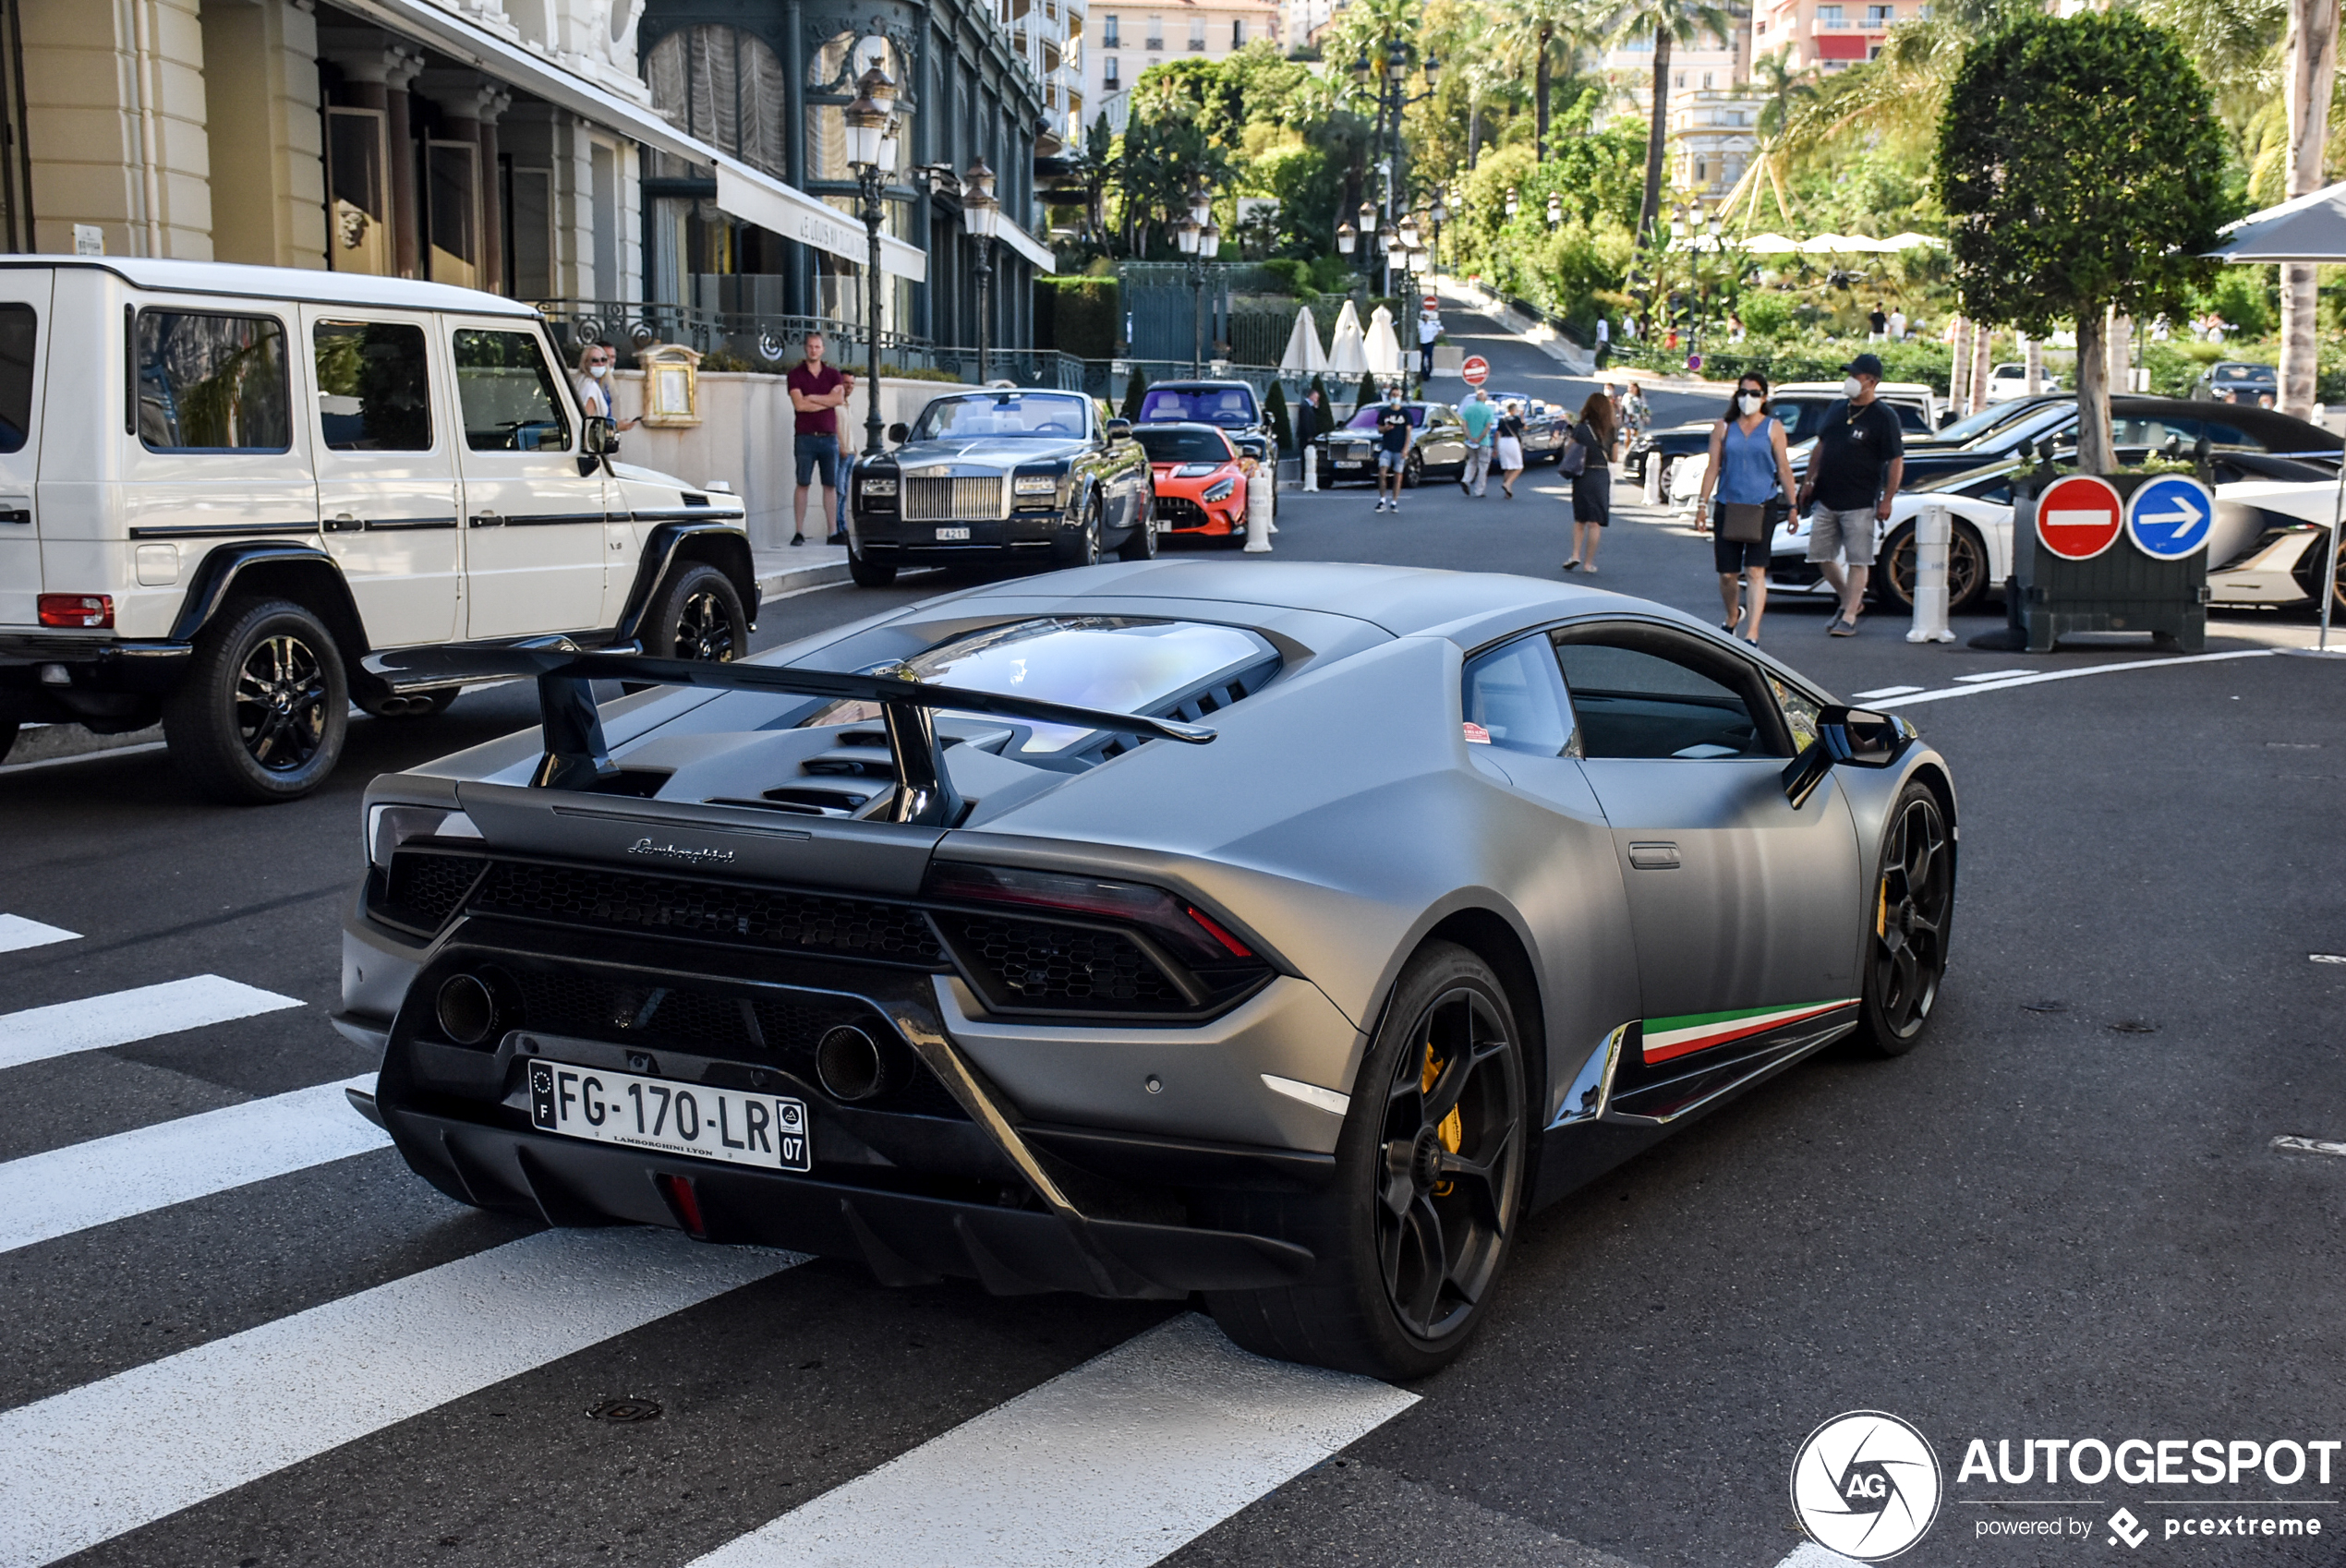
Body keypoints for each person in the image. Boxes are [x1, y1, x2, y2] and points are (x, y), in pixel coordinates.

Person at [1795, 352, 1906, 636]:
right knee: (1820, 555)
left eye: (1855, 376)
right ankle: (1850, 601)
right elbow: (1821, 446)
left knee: (1859, 559)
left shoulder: (1884, 417)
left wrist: (1888, 498)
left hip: (1860, 501)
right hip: (1827, 496)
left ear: (1871, 381)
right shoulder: (1836, 409)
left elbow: (1895, 460)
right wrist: (1808, 481)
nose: (1850, 380)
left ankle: (1849, 617)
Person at [1697, 372, 1799, 645]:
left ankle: (1752, 632)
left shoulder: (1772, 428)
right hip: (1728, 504)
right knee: (1728, 574)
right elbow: (1712, 467)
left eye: (1754, 394)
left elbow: (1784, 469)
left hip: (1761, 506)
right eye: (1743, 393)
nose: (1748, 399)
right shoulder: (1724, 426)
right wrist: (1701, 505)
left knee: (1755, 570)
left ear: (1764, 397)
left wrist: (1792, 506)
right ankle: (1733, 616)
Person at [787, 331, 853, 547]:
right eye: (810, 346)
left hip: (829, 438)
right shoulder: (795, 375)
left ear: (823, 349)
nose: (813, 350)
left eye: (817, 346)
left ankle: (832, 532)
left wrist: (813, 398)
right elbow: (799, 405)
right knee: (802, 483)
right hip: (805, 437)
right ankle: (799, 532)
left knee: (830, 485)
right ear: (805, 348)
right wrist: (826, 401)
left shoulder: (833, 374)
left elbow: (837, 399)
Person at [1562, 391, 1615, 573]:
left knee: (1580, 520)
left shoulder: (1581, 428)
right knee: (1595, 522)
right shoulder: (1611, 430)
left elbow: (1570, 450)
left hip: (1583, 475)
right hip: (1600, 475)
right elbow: (1615, 457)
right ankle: (1588, 563)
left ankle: (1575, 555)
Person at [573, 341, 641, 433]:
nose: (600, 364)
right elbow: (587, 424)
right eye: (595, 360)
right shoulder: (590, 387)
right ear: (586, 363)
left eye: (603, 360)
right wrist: (616, 426)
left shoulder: (592, 382)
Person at [1373, 385, 1412, 513]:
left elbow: (1408, 432)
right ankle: (1382, 499)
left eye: (1397, 395)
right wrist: (1386, 428)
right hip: (1387, 447)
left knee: (1398, 475)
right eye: (1393, 395)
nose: (1395, 397)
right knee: (1382, 472)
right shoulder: (1385, 412)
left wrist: (1405, 448)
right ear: (1389, 397)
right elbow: (1379, 429)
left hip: (1400, 448)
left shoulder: (1405, 414)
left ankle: (1394, 502)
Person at [1458, 387, 1496, 497]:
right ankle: (1479, 490)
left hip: (1469, 441)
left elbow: (1464, 425)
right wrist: (1479, 438)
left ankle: (1466, 479)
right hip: (1483, 442)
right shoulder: (1488, 410)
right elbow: (1488, 427)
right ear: (1484, 399)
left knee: (1472, 461)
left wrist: (1470, 437)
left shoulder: (1469, 409)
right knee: (1483, 467)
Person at [1494, 399, 1527, 499]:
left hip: (1502, 442)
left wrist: (1495, 448)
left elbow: (1497, 433)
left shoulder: (1502, 420)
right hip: (1512, 442)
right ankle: (1507, 484)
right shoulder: (1516, 419)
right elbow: (1525, 427)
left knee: (1508, 467)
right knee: (1518, 467)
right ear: (1513, 410)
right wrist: (1522, 416)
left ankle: (1507, 491)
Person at [1417, 300, 1442, 381]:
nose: (1425, 318)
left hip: (1429, 343)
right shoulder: (1420, 324)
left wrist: (1435, 337)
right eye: (1424, 316)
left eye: (1426, 316)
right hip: (1422, 343)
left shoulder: (1433, 324)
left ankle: (1428, 373)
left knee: (1429, 359)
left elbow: (1441, 329)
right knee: (1422, 359)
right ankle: (1423, 374)